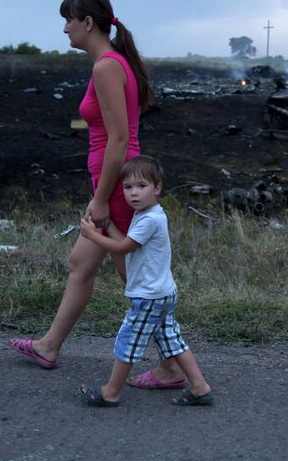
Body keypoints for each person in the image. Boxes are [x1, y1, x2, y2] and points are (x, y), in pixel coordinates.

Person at [7, 0, 185, 388]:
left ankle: (173, 367)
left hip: (116, 188)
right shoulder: (114, 63)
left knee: (139, 284)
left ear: (88, 23)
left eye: (69, 18)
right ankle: (49, 346)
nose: (64, 27)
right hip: (109, 184)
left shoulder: (107, 67)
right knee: (80, 263)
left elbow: (119, 140)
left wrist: (102, 198)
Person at [77, 156, 213, 407]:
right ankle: (200, 387)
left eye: (141, 186)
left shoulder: (150, 219)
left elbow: (123, 247)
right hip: (162, 293)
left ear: (157, 188)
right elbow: (128, 241)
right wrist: (106, 226)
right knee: (171, 340)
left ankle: (111, 392)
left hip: (149, 296)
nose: (133, 193)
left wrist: (91, 235)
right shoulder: (147, 214)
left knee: (128, 339)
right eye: (128, 187)